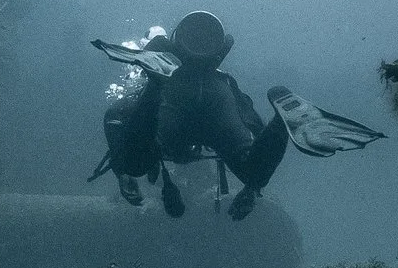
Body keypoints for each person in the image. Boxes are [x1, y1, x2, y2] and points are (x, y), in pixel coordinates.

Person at [94, 11, 287, 219]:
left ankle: (155, 85)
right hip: (216, 103)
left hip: (170, 94)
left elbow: (114, 116)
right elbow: (252, 122)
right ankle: (282, 120)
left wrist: (123, 173)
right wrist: (252, 188)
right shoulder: (223, 82)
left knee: (135, 164)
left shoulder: (168, 79)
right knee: (255, 173)